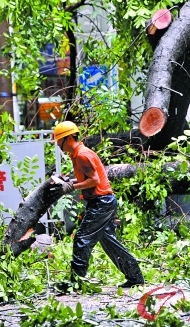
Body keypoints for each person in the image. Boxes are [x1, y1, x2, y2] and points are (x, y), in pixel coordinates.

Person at [51, 121, 144, 290]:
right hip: (103, 201)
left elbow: (94, 180)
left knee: (82, 237)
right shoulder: (77, 154)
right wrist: (68, 182)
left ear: (69, 137)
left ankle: (76, 282)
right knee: (109, 242)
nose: (58, 145)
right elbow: (86, 179)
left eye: (60, 141)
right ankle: (135, 277)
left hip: (102, 202)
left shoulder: (82, 155)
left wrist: (71, 186)